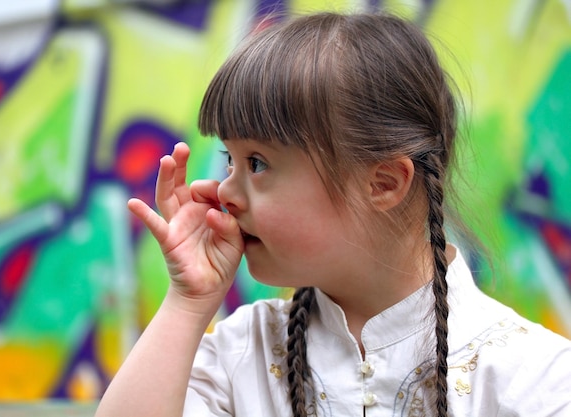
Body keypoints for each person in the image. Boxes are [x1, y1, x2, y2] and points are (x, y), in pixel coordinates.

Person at [95, 11, 571, 417]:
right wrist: (188, 301)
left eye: (257, 163)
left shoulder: (533, 378)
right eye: (229, 161)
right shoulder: (244, 351)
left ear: (384, 183)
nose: (225, 191)